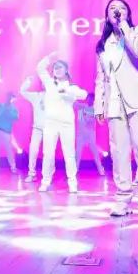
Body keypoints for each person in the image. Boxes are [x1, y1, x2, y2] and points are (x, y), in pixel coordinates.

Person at [94, 0, 138, 219]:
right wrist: (99, 105)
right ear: (107, 16)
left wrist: (124, 25)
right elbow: (101, 77)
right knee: (119, 152)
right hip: (114, 103)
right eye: (112, 8)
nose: (117, 11)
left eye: (122, 8)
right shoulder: (103, 45)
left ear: (128, 14)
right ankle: (123, 200)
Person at [35, 52, 87, 193]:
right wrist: (49, 58)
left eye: (60, 67)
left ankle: (72, 182)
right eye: (55, 67)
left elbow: (84, 94)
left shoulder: (71, 87)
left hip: (66, 124)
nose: (57, 69)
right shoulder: (49, 83)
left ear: (66, 70)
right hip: (50, 123)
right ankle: (45, 181)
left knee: (69, 154)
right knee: (48, 153)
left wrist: (68, 91)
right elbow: (40, 68)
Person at [19, 75, 46, 182]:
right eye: (43, 82)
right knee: (33, 150)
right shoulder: (36, 96)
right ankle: (32, 174)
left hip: (50, 128)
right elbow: (22, 91)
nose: (45, 84)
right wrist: (28, 81)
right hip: (37, 129)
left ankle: (47, 176)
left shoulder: (55, 97)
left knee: (49, 153)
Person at [75, 94, 106, 176]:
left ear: (93, 100)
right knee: (77, 153)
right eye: (88, 99)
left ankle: (101, 170)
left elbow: (91, 121)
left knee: (95, 153)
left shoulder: (95, 109)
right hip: (80, 135)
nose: (89, 100)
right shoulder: (81, 106)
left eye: (91, 99)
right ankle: (75, 170)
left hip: (90, 135)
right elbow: (74, 103)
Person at [0, 93, 19, 173]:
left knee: (9, 150)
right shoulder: (1, 106)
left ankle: (13, 167)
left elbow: (15, 118)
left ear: (14, 99)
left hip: (6, 132)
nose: (10, 99)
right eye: (9, 97)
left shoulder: (14, 109)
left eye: (12, 98)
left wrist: (8, 110)